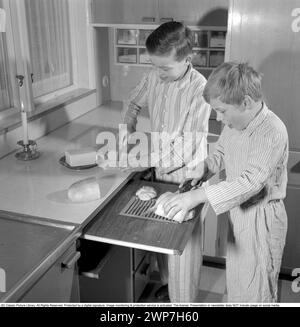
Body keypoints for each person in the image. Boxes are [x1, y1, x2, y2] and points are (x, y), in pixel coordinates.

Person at [155, 62, 289, 303]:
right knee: (238, 284)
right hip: (240, 215)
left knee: (256, 291)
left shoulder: (271, 131)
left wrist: (196, 196)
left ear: (246, 102)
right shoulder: (236, 123)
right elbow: (221, 155)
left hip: (261, 221)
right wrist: (204, 168)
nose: (219, 117)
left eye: (222, 110)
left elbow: (249, 183)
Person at [122, 21, 211, 302]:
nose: (158, 74)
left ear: (188, 59)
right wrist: (127, 129)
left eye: (165, 68)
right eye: (154, 66)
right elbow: (133, 102)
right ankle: (168, 290)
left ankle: (182, 302)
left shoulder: (200, 89)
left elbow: (189, 145)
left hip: (186, 179)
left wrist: (143, 159)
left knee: (182, 251)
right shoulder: (154, 76)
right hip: (158, 174)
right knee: (160, 241)